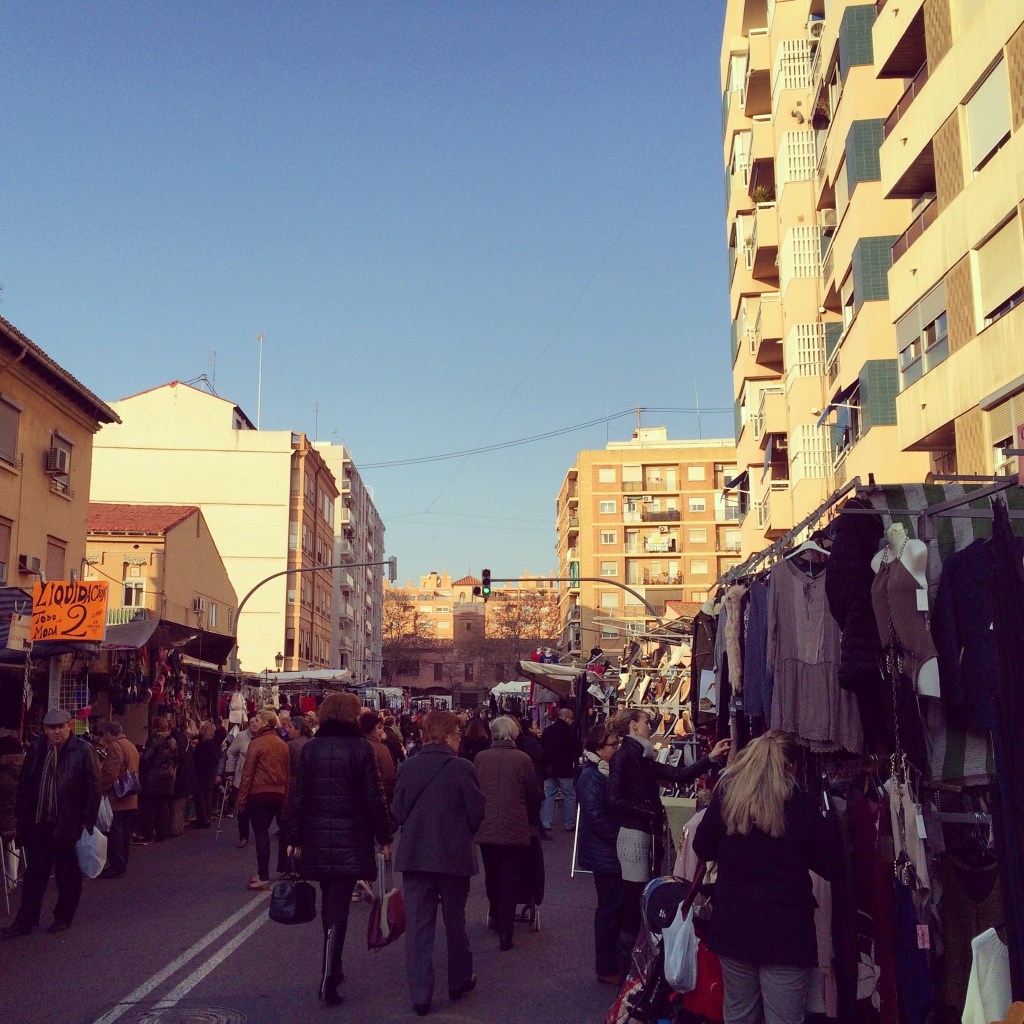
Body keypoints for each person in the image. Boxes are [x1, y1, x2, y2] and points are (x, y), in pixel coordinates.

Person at [692, 731, 840, 1024]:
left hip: (734, 924)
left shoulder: (728, 800)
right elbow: (832, 865)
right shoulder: (801, 805)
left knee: (738, 1014)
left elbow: (702, 847)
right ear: (790, 766)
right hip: (786, 932)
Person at [287, 692, 394, 1006]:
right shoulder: (361, 748)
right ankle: (329, 976)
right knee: (339, 908)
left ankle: (333, 966)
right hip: (351, 837)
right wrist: (385, 835)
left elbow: (298, 796)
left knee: (329, 905)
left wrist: (294, 838)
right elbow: (375, 798)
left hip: (317, 838)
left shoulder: (312, 749)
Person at [608, 708, 730, 950]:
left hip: (643, 833)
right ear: (634, 725)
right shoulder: (625, 756)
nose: (649, 727)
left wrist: (711, 758)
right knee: (634, 899)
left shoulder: (639, 755)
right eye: (645, 722)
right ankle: (627, 963)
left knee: (641, 896)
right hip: (635, 834)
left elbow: (677, 775)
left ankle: (633, 961)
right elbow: (613, 798)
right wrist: (648, 810)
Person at [393, 711, 486, 1017]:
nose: (460, 738)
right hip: (453, 854)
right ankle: (459, 980)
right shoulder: (463, 768)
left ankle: (420, 994)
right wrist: (460, 833)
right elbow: (476, 812)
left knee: (419, 927)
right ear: (447, 736)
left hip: (417, 856)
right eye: (458, 734)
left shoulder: (409, 767)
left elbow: (399, 811)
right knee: (455, 921)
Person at [1, 709, 100, 937]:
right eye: (51, 728)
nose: (56, 732)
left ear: (69, 727)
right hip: (38, 823)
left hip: (66, 823)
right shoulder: (37, 749)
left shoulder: (83, 751)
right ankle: (25, 921)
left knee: (67, 876)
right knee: (34, 875)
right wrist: (21, 821)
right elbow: (25, 786)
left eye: (61, 727)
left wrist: (86, 820)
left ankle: (63, 917)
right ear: (44, 730)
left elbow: (93, 787)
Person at [473, 715, 541, 951]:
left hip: (487, 825)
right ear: (513, 734)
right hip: (514, 826)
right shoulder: (522, 759)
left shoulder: (480, 758)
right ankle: (506, 931)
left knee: (492, 874)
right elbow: (533, 792)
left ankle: (495, 914)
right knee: (509, 877)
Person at [578, 724, 625, 986]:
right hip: (604, 855)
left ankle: (611, 963)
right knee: (609, 911)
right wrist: (621, 839)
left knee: (613, 909)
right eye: (612, 745)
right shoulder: (591, 776)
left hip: (607, 853)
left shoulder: (602, 772)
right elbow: (596, 818)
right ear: (598, 748)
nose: (616, 749)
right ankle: (606, 967)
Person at [237, 708, 290, 891]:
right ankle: (282, 869)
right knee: (282, 832)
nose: (255, 722)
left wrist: (241, 799)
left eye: (258, 720)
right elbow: (287, 772)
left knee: (261, 834)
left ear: (266, 723)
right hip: (278, 792)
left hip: (259, 793)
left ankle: (263, 876)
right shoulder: (282, 744)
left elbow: (248, 774)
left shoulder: (257, 743)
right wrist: (286, 796)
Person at [97, 722, 140, 878]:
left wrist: (101, 790)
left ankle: (116, 865)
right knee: (126, 833)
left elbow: (110, 771)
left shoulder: (115, 746)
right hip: (131, 795)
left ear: (108, 734)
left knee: (115, 832)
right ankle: (122, 863)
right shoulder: (130, 745)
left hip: (118, 797)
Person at [137, 715, 178, 843]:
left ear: (155, 727)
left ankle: (148, 833)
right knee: (163, 806)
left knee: (149, 807)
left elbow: (146, 759)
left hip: (153, 778)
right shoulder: (173, 741)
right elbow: (176, 759)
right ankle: (161, 833)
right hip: (168, 778)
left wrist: (143, 772)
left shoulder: (154, 740)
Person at [540, 707, 581, 834]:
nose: (572, 721)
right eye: (571, 718)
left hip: (550, 769)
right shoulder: (570, 732)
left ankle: (547, 822)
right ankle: (569, 824)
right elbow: (576, 750)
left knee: (549, 795)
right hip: (565, 769)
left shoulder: (547, 731)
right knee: (568, 796)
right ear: (566, 717)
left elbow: (542, 749)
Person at [221, 716, 256, 848]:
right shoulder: (241, 736)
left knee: (257, 810)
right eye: (251, 722)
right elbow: (230, 752)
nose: (253, 724)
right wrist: (230, 771)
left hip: (258, 778)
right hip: (241, 778)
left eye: (256, 722)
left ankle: (259, 834)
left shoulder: (263, 737)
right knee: (242, 808)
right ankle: (243, 836)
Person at [360, 711, 397, 807]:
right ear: (374, 728)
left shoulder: (355, 745)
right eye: (380, 727)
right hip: (378, 798)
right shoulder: (380, 749)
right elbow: (389, 776)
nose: (383, 730)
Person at [192, 721, 221, 829]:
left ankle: (202, 819)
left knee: (200, 796)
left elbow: (198, 759)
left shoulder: (204, 745)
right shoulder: (216, 745)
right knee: (208, 795)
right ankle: (207, 817)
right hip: (211, 773)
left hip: (202, 772)